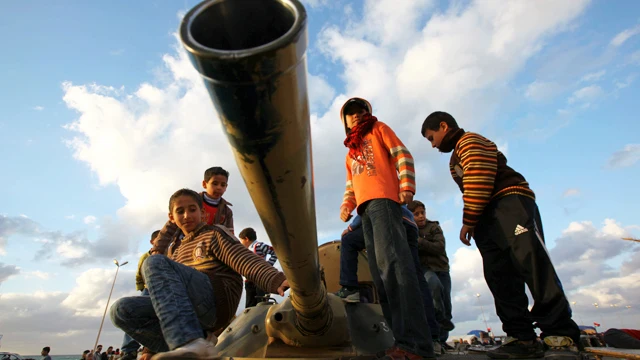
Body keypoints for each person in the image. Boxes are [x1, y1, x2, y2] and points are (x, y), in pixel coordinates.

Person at [421, 111, 581, 359]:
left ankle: (560, 335)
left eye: (432, 137)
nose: (433, 145)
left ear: (444, 126)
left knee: (533, 265)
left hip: (509, 204)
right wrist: (476, 220)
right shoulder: (457, 154)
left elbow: (479, 177)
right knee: (499, 276)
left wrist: (468, 221)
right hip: (486, 216)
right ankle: (521, 336)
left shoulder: (470, 142)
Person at [110, 188, 289, 360]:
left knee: (153, 262)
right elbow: (164, 298)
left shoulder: (214, 233)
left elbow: (242, 257)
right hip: (189, 311)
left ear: (202, 213)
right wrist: (149, 349)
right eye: (180, 211)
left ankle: (189, 341)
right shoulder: (175, 250)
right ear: (172, 218)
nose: (187, 215)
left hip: (215, 301)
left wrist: (274, 279)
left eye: (192, 209)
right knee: (120, 310)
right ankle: (190, 349)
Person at [339, 97, 435, 360]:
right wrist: (346, 205)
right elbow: (351, 186)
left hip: (384, 202)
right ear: (344, 121)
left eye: (361, 111)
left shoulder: (379, 129)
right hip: (365, 211)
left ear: (368, 114)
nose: (356, 116)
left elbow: (402, 154)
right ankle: (401, 341)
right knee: (381, 275)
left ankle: (417, 345)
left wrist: (407, 186)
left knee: (396, 268)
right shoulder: (350, 153)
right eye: (350, 114)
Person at [334, 205, 445, 354]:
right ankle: (432, 339)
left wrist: (351, 227)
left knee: (349, 241)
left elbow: (369, 202)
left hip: (388, 220)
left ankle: (350, 288)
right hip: (409, 225)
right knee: (417, 282)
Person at [408, 200, 455, 349]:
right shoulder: (409, 229)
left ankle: (442, 339)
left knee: (445, 302)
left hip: (441, 268)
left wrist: (420, 242)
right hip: (425, 270)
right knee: (434, 288)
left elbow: (439, 247)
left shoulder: (434, 227)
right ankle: (434, 336)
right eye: (416, 214)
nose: (421, 216)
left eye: (423, 213)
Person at [120, 230, 159, 360]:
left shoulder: (168, 254)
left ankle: (154, 347)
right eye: (158, 239)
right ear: (152, 242)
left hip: (161, 290)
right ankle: (129, 349)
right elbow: (139, 273)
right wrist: (141, 287)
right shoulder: (145, 256)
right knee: (134, 314)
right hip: (147, 289)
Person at [238, 227, 278, 308]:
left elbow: (275, 253)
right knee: (249, 306)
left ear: (246, 239)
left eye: (241, 240)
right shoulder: (246, 251)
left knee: (261, 303)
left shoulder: (259, 246)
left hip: (260, 279)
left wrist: (267, 266)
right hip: (249, 281)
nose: (241, 243)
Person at [200, 166, 234, 233]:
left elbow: (230, 235)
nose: (219, 187)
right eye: (215, 184)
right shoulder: (192, 201)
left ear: (226, 187)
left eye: (223, 185)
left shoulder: (227, 212)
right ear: (204, 184)